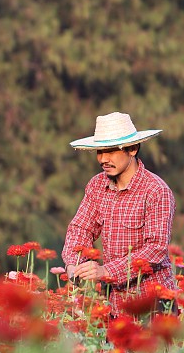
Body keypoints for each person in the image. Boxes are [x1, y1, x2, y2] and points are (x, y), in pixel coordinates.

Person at [61, 112, 177, 315]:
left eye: (111, 151)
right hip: (114, 303)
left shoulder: (156, 190)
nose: (103, 159)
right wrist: (74, 265)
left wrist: (105, 271)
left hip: (153, 303)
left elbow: (156, 249)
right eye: (100, 152)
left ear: (132, 149)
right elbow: (80, 228)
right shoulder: (97, 186)